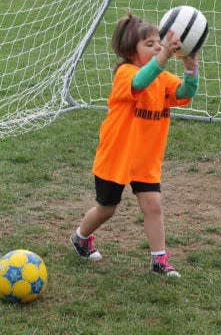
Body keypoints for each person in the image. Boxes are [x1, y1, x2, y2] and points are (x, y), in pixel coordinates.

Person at [70, 14, 199, 278]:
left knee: (153, 205)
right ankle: (81, 237)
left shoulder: (162, 79)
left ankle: (159, 260)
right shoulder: (125, 73)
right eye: (149, 44)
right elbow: (141, 82)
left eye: (157, 42)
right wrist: (162, 59)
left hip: (145, 159)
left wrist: (190, 69)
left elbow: (185, 93)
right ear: (131, 52)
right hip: (116, 155)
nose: (157, 47)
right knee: (107, 208)